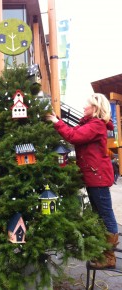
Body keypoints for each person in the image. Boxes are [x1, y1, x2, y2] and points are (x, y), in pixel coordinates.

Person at [46, 93, 119, 269]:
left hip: (98, 177)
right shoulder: (89, 124)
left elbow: (74, 137)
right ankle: (103, 252)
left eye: (87, 105)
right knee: (100, 215)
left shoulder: (97, 125)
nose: (84, 107)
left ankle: (109, 257)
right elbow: (75, 132)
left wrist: (56, 122)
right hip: (93, 176)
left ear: (95, 108)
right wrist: (57, 120)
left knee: (106, 216)